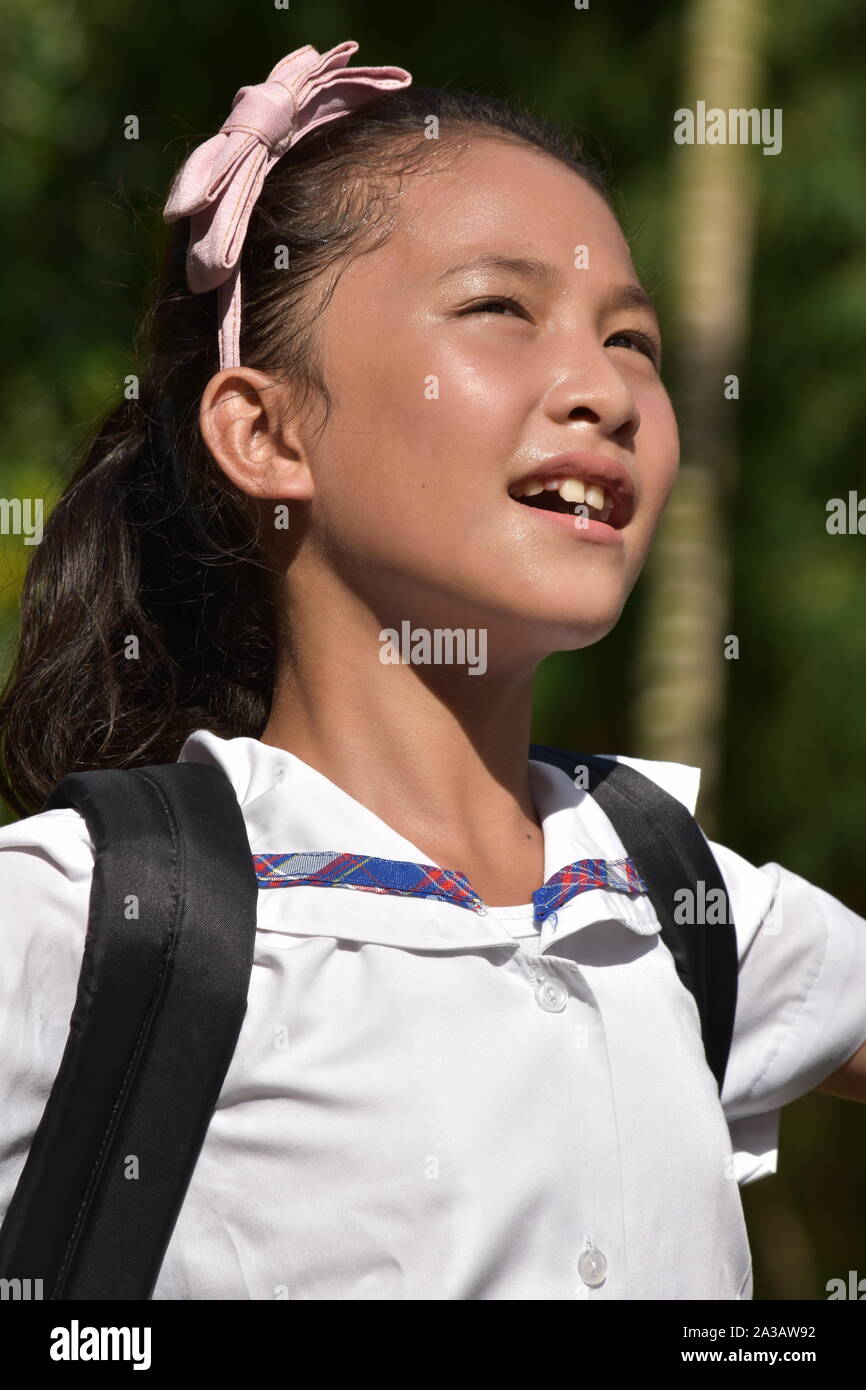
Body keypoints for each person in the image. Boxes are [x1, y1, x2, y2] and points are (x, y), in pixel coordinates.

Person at [1, 39, 864, 1301]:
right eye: (499, 309)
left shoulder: (685, 911)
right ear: (263, 429)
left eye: (632, 339)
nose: (604, 391)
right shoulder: (84, 925)